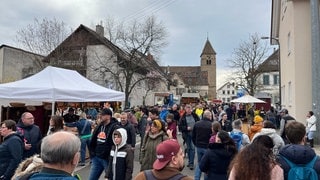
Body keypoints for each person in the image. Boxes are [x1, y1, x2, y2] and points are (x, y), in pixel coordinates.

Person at [88, 108, 119, 180]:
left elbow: (116, 143)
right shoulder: (99, 126)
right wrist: (92, 155)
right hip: (96, 157)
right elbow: (93, 140)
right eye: (100, 114)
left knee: (109, 178)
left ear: (108, 116)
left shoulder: (115, 127)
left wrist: (110, 155)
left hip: (107, 159)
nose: (100, 116)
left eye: (102, 114)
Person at [192, 110, 213, 180]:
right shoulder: (211, 125)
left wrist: (196, 143)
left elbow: (193, 135)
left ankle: (196, 178)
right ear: (208, 116)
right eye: (210, 116)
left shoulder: (197, 123)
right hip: (207, 147)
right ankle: (205, 178)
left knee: (200, 162)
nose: (211, 117)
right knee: (207, 164)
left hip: (199, 146)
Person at [178, 104, 200, 170]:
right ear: (185, 109)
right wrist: (186, 128)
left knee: (192, 148)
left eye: (190, 108)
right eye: (187, 109)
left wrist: (196, 127)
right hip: (187, 134)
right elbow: (180, 127)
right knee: (189, 148)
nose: (189, 110)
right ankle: (190, 161)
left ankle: (191, 164)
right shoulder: (183, 117)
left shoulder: (195, 115)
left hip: (194, 134)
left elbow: (199, 122)